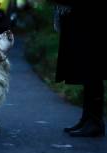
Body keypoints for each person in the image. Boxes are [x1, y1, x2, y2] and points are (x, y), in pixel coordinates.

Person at [50, 0, 107, 137]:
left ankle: (94, 121)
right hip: (83, 16)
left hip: (90, 18)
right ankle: (88, 118)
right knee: (88, 68)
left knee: (91, 68)